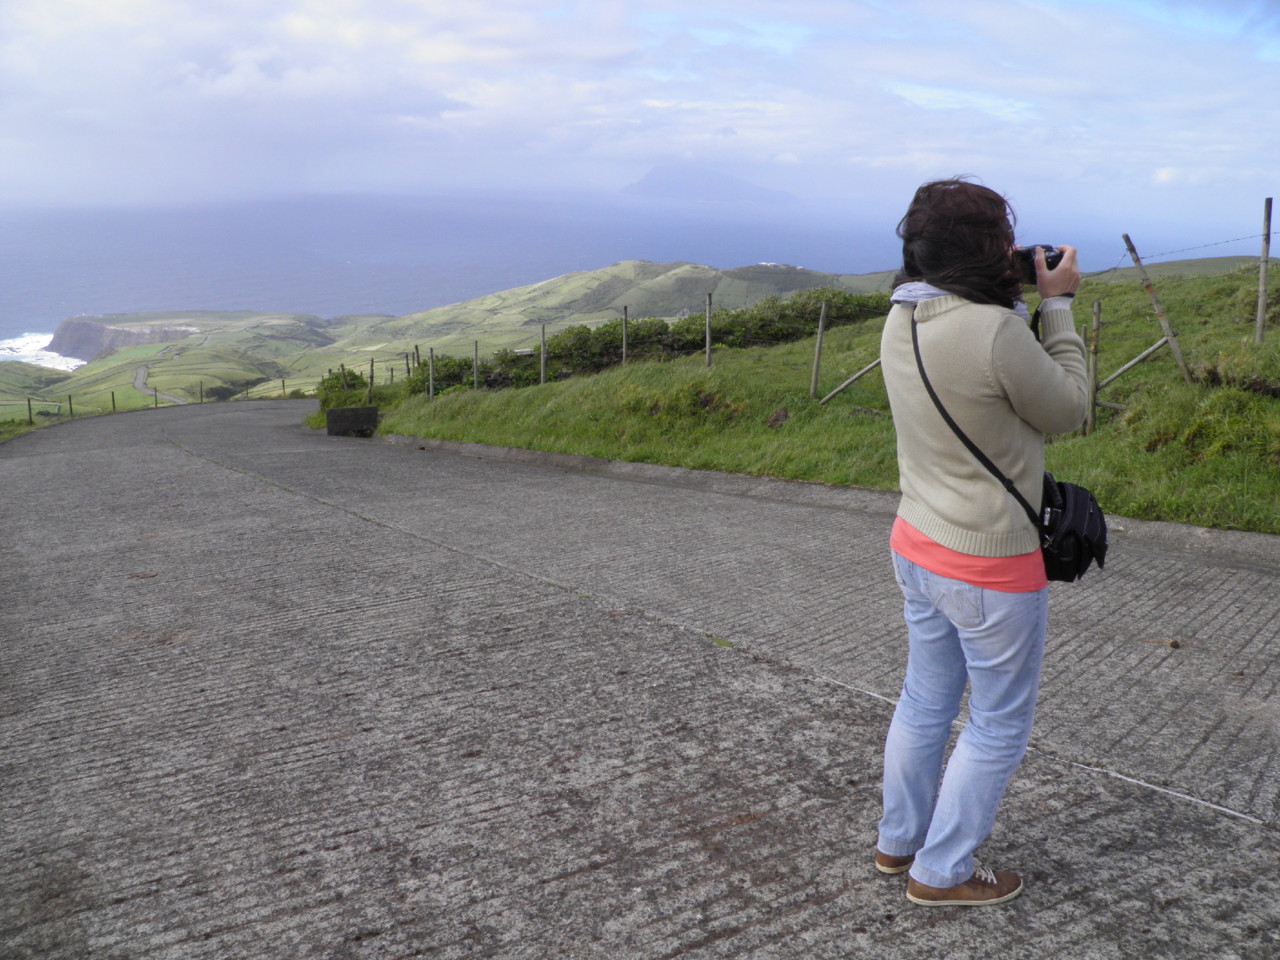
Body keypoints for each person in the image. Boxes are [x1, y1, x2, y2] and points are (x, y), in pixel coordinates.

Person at [874, 178, 1088, 906]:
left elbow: (974, 365)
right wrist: (1055, 304)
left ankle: (898, 843)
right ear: (988, 251)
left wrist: (1012, 294)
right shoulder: (995, 332)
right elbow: (1068, 408)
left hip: (917, 541)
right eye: (1003, 237)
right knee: (996, 723)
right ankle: (944, 874)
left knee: (925, 699)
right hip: (989, 563)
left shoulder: (900, 318)